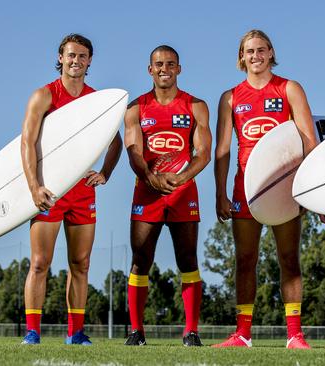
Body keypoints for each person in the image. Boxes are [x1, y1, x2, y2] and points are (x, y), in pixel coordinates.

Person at [213, 30, 325, 349]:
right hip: (245, 190)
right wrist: (220, 193)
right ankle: (243, 334)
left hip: (285, 189)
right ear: (241, 57)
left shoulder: (289, 88)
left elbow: (308, 140)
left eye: (261, 50)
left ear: (271, 52)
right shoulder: (230, 97)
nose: (255, 56)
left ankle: (294, 334)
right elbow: (222, 150)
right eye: (249, 51)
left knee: (289, 258)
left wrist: (309, 189)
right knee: (245, 260)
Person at [19, 33, 122, 345]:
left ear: (89, 61)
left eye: (81, 56)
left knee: (81, 264)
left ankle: (75, 333)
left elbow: (115, 141)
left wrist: (105, 172)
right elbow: (27, 142)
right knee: (40, 263)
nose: (75, 61)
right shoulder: (44, 96)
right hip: (49, 191)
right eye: (70, 55)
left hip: (82, 194)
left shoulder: (95, 100)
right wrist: (34, 187)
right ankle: (32, 332)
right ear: (60, 58)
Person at [123, 45, 211, 346]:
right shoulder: (136, 107)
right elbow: (133, 150)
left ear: (179, 69)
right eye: (158, 64)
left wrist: (181, 178)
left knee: (188, 258)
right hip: (146, 191)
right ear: (150, 70)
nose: (164, 69)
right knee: (140, 258)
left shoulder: (196, 105)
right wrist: (149, 177)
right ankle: (136, 331)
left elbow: (204, 153)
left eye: (170, 64)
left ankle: (191, 331)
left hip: (183, 191)